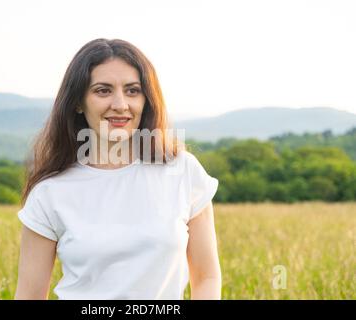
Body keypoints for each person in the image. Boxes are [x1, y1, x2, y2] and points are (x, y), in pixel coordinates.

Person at [14, 38, 221, 300]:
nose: (121, 104)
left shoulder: (182, 171)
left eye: (133, 90)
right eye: (103, 91)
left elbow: (207, 278)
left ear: (147, 99)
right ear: (78, 102)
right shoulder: (50, 192)